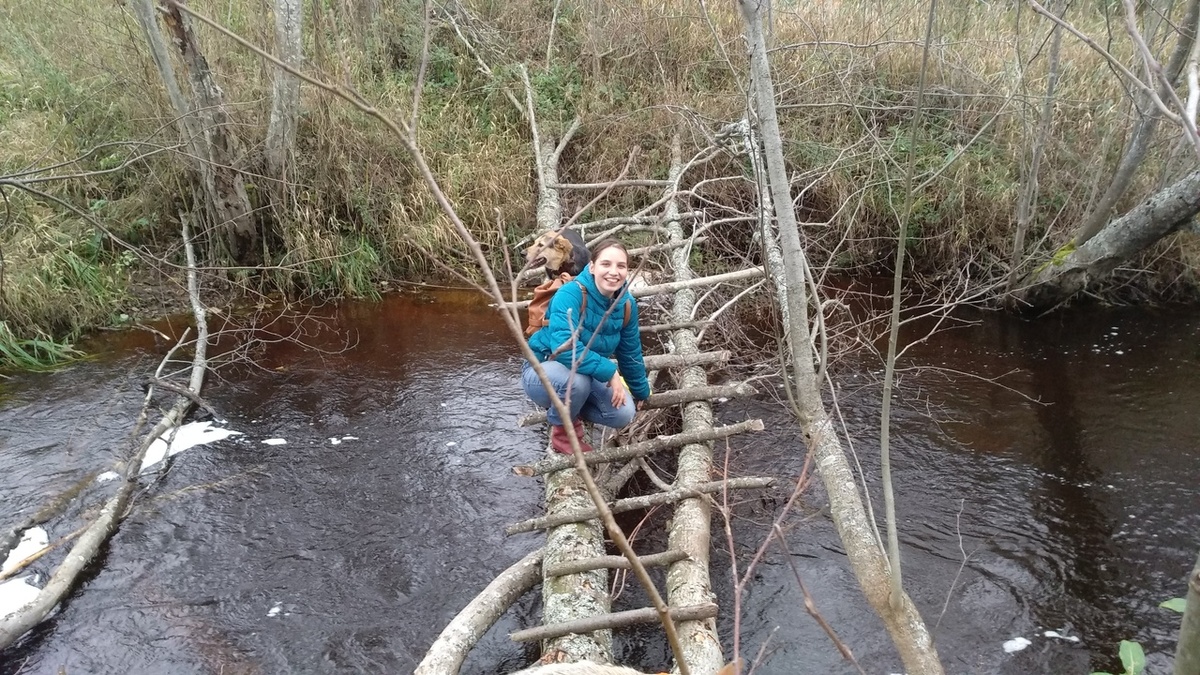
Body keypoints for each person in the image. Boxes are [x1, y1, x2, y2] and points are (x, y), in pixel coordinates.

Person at [522, 239, 651, 454]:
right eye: (606, 264)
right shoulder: (569, 294)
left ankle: (573, 405)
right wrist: (611, 373)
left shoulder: (626, 305)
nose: (613, 272)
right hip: (544, 372)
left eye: (621, 266)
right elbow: (565, 349)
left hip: (585, 376)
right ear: (592, 267)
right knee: (577, 381)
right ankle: (563, 435)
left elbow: (630, 353)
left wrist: (641, 392)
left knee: (623, 413)